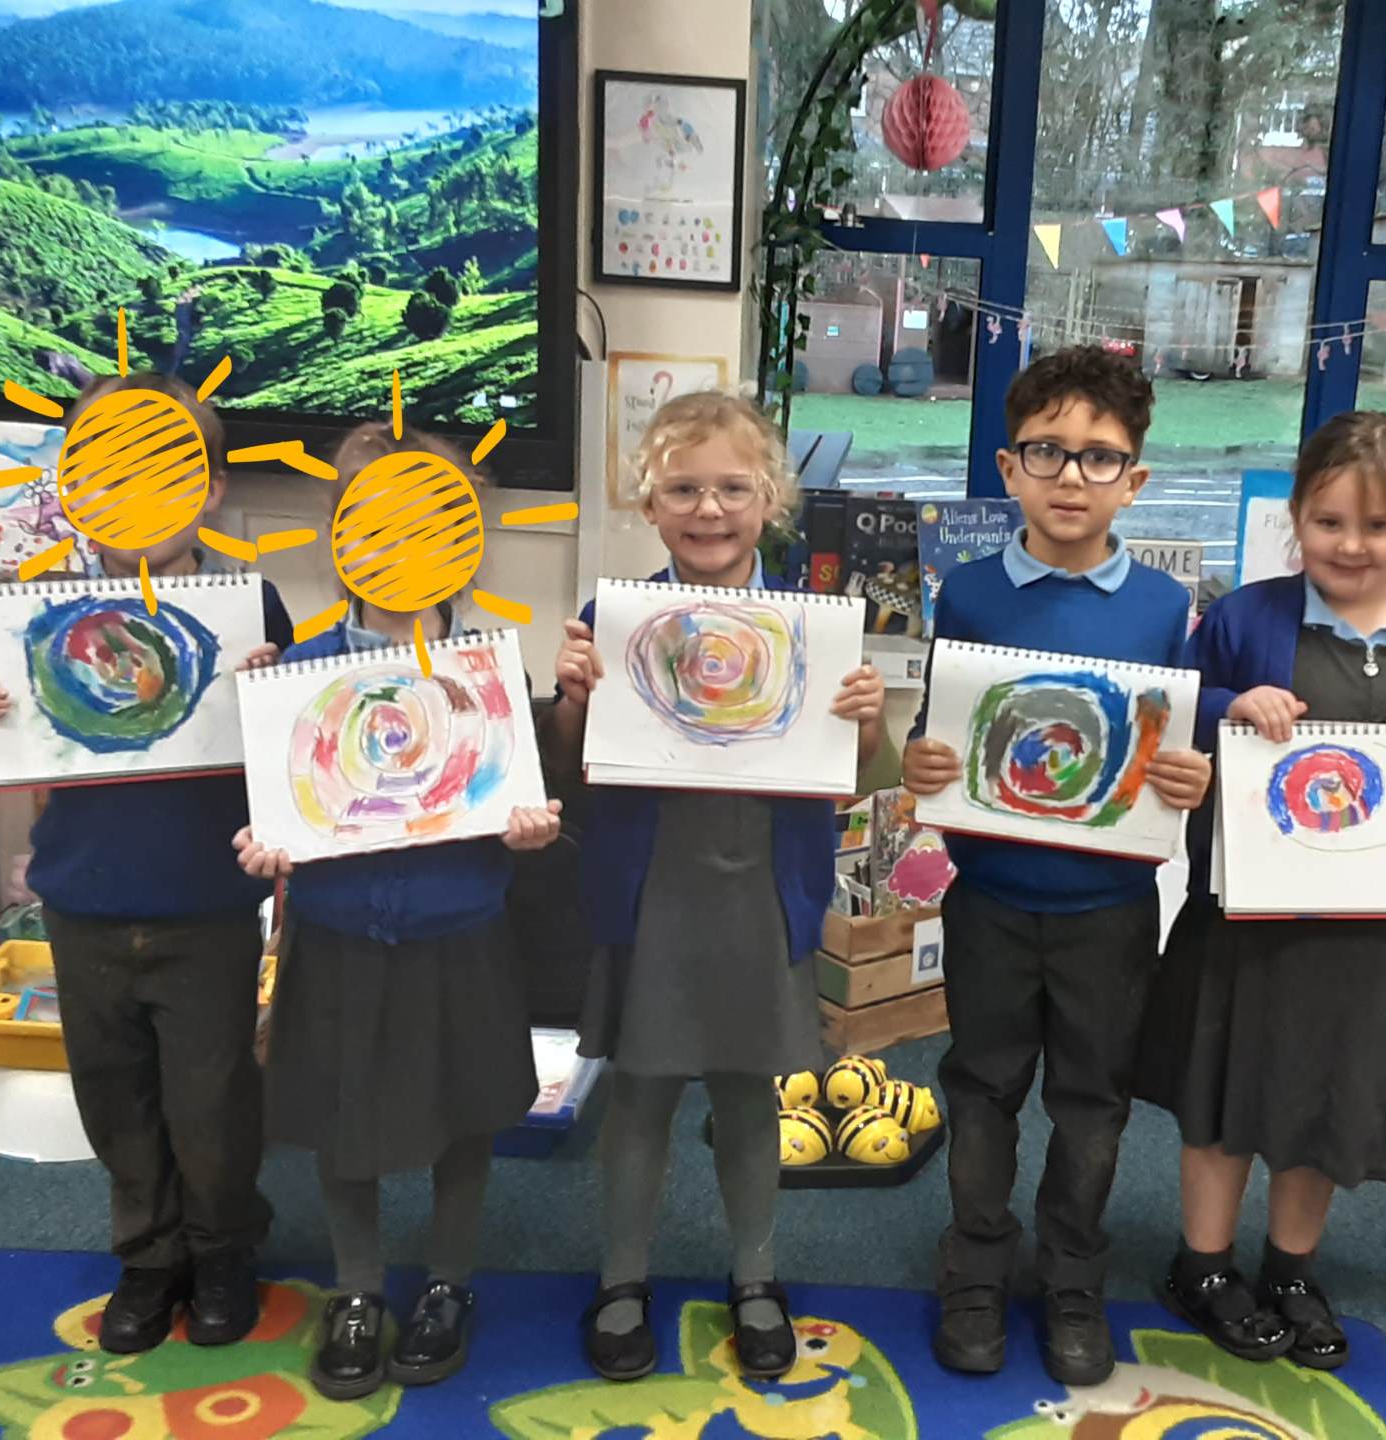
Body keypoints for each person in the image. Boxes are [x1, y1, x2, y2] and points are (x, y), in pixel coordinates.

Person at [1138, 410, 1386, 1372]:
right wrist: (1229, 704)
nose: (1352, 546)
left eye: (1378, 526)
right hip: (1250, 924)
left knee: (1327, 1100)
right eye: (1329, 522)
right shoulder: (1244, 619)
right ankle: (1203, 1265)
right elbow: (1171, 708)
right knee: (1225, 1097)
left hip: (1373, 935)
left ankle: (1292, 1267)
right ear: (1297, 517)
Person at [548, 390, 886, 1384]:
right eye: (684, 489)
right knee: (640, 1095)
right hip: (651, 891)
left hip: (763, 891)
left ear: (770, 498)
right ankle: (622, 1278)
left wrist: (868, 721)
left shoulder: (815, 627)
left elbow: (862, 773)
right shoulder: (611, 619)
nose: (709, 509)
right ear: (650, 503)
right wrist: (572, 701)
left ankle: (755, 1274)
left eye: (733, 489)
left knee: (748, 1095)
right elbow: (569, 764)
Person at [0, 372, 292, 1353]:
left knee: (213, 1097)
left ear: (211, 487)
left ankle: (223, 1248)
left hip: (206, 901)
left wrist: (272, 697)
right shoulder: (35, 603)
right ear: (75, 488)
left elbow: (288, 756)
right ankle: (149, 1257)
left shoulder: (250, 603)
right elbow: (23, 748)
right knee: (115, 1095)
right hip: (86, 897)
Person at [902, 346, 1212, 1386]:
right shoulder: (970, 595)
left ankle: (1074, 1276)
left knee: (1092, 1101)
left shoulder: (1162, 609)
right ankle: (978, 1265)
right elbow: (945, 736)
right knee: (981, 1087)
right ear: (1009, 466)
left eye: (1098, 457)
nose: (1071, 476)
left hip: (1110, 908)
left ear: (1135, 479)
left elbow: (1170, 750)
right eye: (1047, 452)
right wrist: (923, 759)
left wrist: (1187, 775)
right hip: (990, 897)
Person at [234, 422, 562, 1400]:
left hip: (459, 929)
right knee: (345, 1118)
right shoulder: (296, 672)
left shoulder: (487, 670)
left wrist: (528, 830)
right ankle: (358, 1288)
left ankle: (449, 1281)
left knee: (466, 1113)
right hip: (339, 930)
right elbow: (275, 818)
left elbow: (508, 807)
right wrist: (266, 845)